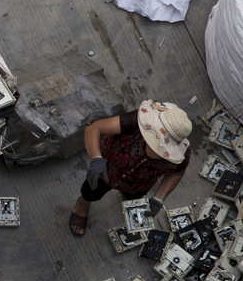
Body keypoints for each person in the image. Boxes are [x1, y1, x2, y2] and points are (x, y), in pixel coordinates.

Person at [69, 100, 192, 236]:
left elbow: (177, 172)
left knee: (132, 197)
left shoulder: (181, 155)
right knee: (91, 190)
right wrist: (96, 159)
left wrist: (159, 198)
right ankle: (82, 204)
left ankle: (126, 196)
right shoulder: (136, 121)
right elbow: (93, 128)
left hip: (139, 184)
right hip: (106, 169)